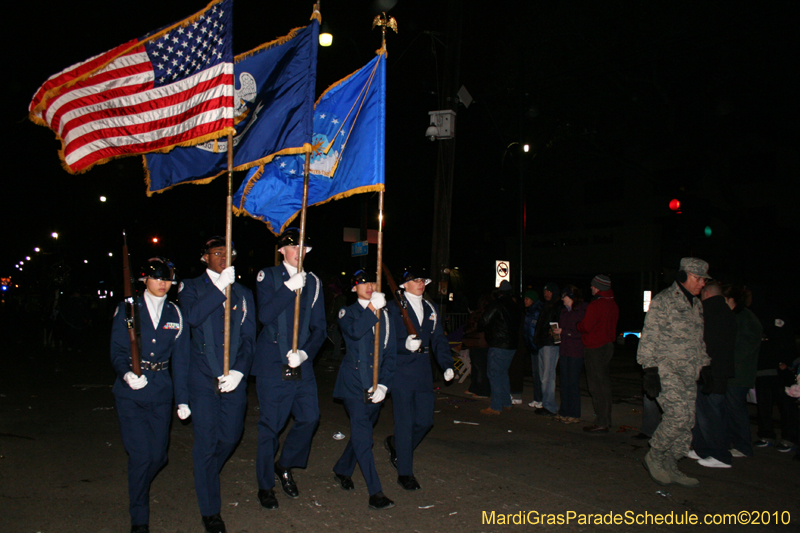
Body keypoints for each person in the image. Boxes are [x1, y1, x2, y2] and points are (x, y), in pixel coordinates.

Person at [177, 237, 256, 533]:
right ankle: (211, 511)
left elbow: (249, 339)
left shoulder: (245, 293)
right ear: (204, 257)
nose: (224, 257)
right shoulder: (191, 287)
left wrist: (239, 371)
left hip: (232, 380)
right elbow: (192, 318)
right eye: (217, 252)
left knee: (231, 437)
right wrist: (219, 287)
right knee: (206, 444)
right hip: (201, 379)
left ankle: (206, 472)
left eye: (229, 252)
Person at [110, 257, 188, 533]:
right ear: (144, 280)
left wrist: (182, 399)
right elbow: (118, 350)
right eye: (156, 278)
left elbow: (180, 361)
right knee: (142, 457)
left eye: (166, 279)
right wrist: (125, 373)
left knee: (159, 457)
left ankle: (137, 482)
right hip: (131, 393)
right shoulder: (129, 308)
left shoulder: (175, 314)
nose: (162, 284)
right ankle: (139, 517)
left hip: (160, 392)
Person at [253, 228, 326, 509]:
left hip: (302, 365)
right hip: (272, 363)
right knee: (271, 426)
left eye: (303, 248)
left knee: (310, 418)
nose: (299, 251)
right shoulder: (268, 276)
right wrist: (288, 288)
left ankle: (284, 464)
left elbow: (319, 327)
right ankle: (265, 486)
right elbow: (265, 314)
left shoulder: (315, 282)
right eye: (294, 247)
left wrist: (306, 352)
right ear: (282, 250)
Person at [637, 257, 710, 487]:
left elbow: (699, 340)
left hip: (689, 371)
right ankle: (655, 455)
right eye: (698, 279)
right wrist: (649, 370)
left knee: (688, 420)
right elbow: (649, 336)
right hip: (666, 369)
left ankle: (671, 463)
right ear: (683, 276)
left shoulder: (696, 305)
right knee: (677, 415)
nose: (702, 284)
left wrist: (705, 364)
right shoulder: (664, 301)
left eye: (704, 280)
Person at [385, 267, 455, 491]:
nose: (421, 283)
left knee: (425, 421)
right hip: (401, 372)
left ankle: (396, 445)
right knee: (405, 424)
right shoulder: (393, 307)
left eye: (423, 280)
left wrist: (446, 365)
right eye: (415, 280)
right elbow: (383, 342)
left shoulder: (430, 307)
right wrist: (403, 346)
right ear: (404, 285)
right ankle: (405, 472)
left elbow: (438, 340)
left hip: (424, 372)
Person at [332, 270, 396, 510]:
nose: (369, 286)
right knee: (364, 437)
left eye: (372, 282)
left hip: (376, 386)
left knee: (362, 434)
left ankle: (342, 469)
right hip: (353, 385)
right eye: (362, 283)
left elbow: (390, 354)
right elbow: (354, 332)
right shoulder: (346, 312)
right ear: (353, 289)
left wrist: (385, 384)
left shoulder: (387, 315)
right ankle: (375, 492)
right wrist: (372, 310)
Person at [688, 280, 736, 468]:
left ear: (706, 293)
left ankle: (720, 454)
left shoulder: (707, 311)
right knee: (704, 412)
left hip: (710, 371)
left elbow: (705, 343)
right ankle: (703, 448)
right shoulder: (727, 312)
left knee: (711, 413)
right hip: (717, 370)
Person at [723, 284, 762, 458]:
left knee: (736, 409)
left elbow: (744, 348)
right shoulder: (734, 316)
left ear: (730, 300)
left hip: (738, 374)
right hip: (731, 373)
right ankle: (734, 442)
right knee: (730, 410)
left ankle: (743, 445)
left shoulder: (745, 318)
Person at [577, 275, 619, 433]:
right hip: (608, 346)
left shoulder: (596, 305)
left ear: (598, 287)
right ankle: (606, 419)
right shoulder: (612, 304)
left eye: (593, 286)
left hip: (595, 348)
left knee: (596, 386)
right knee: (604, 384)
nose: (591, 288)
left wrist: (579, 325)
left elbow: (586, 326)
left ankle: (601, 421)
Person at [478, 280, 521, 415]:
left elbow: (484, 321)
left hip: (498, 343)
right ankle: (506, 401)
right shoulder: (515, 306)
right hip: (511, 344)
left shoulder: (496, 304)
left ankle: (496, 405)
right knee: (503, 373)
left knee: (494, 374)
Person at [552, 285, 587, 424]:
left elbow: (581, 331)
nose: (562, 299)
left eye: (564, 296)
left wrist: (564, 332)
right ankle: (564, 411)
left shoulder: (581, 311)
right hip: (565, 349)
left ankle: (574, 413)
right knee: (564, 382)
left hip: (575, 351)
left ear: (571, 297)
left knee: (572, 383)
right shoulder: (564, 312)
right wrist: (556, 335)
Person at [532, 283, 562, 416]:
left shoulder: (557, 307)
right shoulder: (546, 306)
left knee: (547, 377)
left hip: (550, 344)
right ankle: (547, 403)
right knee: (543, 375)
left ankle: (549, 405)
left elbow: (556, 325)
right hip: (543, 343)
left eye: (549, 291)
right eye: (545, 291)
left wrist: (555, 339)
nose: (546, 293)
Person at [463, 292, 492, 398]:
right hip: (476, 342)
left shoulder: (483, 313)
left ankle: (483, 390)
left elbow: (476, 326)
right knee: (476, 367)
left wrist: (466, 330)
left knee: (481, 368)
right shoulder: (482, 312)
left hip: (480, 342)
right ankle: (474, 387)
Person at [523, 290, 544, 409]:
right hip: (532, 346)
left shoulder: (537, 311)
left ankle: (540, 398)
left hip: (538, 346)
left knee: (540, 374)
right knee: (535, 373)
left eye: (527, 299)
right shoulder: (529, 311)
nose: (525, 301)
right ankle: (537, 398)